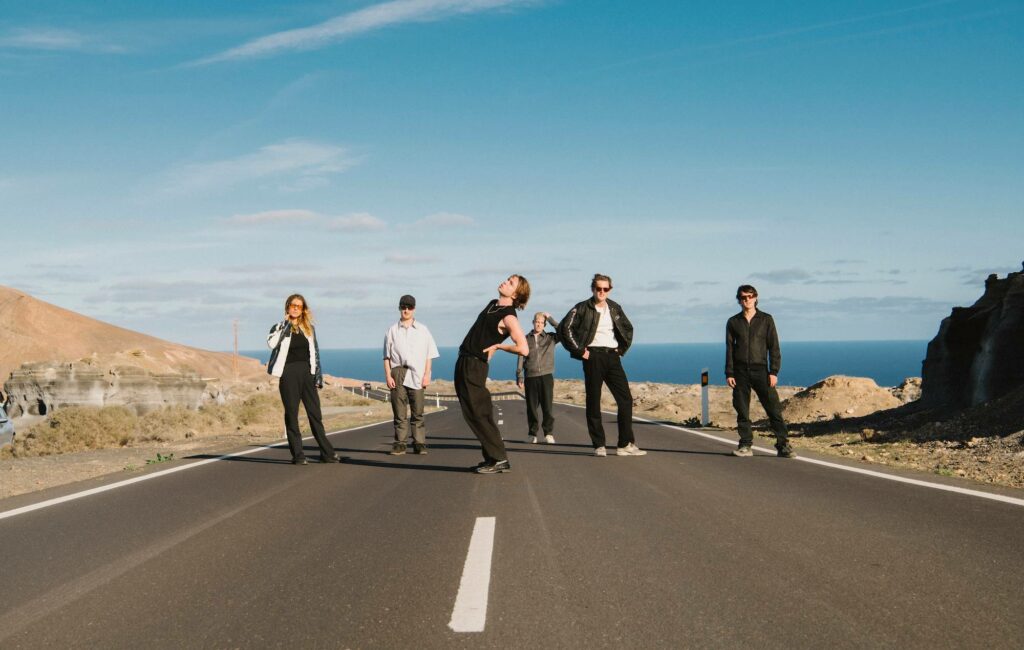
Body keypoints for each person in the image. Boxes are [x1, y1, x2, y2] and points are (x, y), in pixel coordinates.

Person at [559, 274, 646, 457]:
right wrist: (581, 352)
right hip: (593, 357)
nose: (602, 292)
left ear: (610, 290)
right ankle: (599, 444)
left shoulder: (614, 307)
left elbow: (628, 328)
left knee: (626, 400)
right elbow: (564, 329)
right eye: (598, 288)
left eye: (605, 289)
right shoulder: (582, 307)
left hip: (612, 357)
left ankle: (624, 444)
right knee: (594, 401)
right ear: (592, 289)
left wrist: (620, 350)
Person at [455, 275, 531, 474]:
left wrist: (499, 346)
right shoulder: (492, 304)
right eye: (507, 279)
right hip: (465, 360)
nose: (505, 282)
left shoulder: (508, 316)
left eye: (511, 283)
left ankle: (499, 459)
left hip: (474, 365)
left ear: (515, 294)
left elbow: (523, 348)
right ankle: (491, 458)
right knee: (473, 412)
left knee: (478, 412)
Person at [267, 294, 341, 465]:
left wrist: (318, 375)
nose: (295, 308)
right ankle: (298, 455)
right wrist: (286, 325)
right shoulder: (278, 327)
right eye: (292, 305)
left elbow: (315, 352)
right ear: (287, 307)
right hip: (288, 374)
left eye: (299, 306)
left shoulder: (309, 328)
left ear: (303, 310)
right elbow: (272, 344)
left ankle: (327, 453)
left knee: (315, 414)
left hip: (307, 374)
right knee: (292, 414)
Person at [725, 284, 795, 458]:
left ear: (756, 298)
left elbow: (774, 347)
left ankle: (783, 445)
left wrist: (774, 371)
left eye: (750, 296)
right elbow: (729, 349)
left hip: (762, 371)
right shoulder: (733, 322)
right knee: (742, 410)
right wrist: (729, 373)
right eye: (743, 297)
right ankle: (745, 445)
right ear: (739, 300)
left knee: (774, 409)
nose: (747, 300)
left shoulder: (766, 319)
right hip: (740, 372)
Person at [383, 294, 440, 455]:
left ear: (414, 309)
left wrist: (427, 374)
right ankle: (400, 443)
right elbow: (386, 357)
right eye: (403, 307)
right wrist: (388, 376)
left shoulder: (423, 330)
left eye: (409, 307)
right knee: (399, 411)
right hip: (398, 372)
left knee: (418, 410)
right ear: (399, 308)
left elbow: (429, 354)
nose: (406, 310)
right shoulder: (392, 330)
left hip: (417, 372)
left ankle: (419, 443)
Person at [516, 312, 560, 444]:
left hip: (546, 376)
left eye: (541, 322)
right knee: (531, 408)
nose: (539, 324)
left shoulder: (550, 338)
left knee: (547, 407)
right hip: (530, 376)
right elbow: (520, 356)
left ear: (544, 324)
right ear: (533, 322)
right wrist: (519, 375)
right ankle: (532, 434)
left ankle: (548, 434)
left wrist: (550, 318)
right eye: (537, 321)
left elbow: (562, 330)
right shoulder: (525, 339)